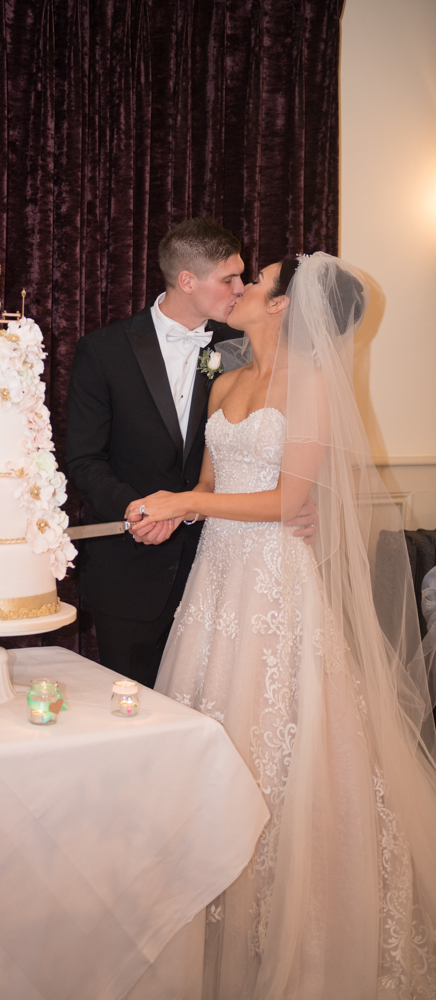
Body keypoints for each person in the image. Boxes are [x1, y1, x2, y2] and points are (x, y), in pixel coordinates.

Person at [127, 253, 436, 997]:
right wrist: (170, 513)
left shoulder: (317, 387)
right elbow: (208, 484)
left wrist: (185, 504)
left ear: (285, 308)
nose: (240, 289)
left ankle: (299, 927)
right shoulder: (227, 380)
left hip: (274, 586)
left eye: (255, 281)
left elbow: (284, 499)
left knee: (281, 741)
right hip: (215, 585)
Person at [65, 218, 315, 686]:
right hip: (131, 567)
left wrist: (304, 502)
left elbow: (278, 442)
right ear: (186, 281)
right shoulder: (103, 350)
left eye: (245, 278)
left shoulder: (241, 345)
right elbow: (83, 458)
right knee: (133, 705)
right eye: (229, 279)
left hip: (226, 567)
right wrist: (138, 510)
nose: (240, 290)